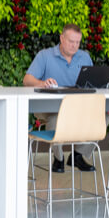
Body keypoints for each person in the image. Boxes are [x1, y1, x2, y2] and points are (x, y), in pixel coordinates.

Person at [23, 23, 96, 172]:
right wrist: (42, 83)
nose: (74, 45)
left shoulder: (85, 57)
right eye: (71, 41)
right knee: (56, 118)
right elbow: (27, 80)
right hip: (49, 108)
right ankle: (59, 158)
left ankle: (78, 156)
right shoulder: (45, 55)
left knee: (103, 117)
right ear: (61, 38)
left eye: (77, 42)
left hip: (77, 107)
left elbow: (93, 83)